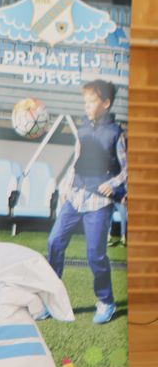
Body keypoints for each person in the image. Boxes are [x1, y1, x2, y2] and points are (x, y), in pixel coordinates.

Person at [46, 79, 127, 324]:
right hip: (75, 197)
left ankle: (106, 301)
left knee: (95, 255)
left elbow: (128, 168)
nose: (87, 105)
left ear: (106, 103)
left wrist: (113, 184)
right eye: (85, 101)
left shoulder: (116, 133)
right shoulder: (82, 130)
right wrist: (65, 186)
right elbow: (77, 160)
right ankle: (52, 300)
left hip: (99, 203)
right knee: (54, 242)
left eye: (92, 101)